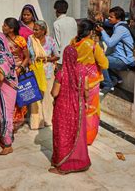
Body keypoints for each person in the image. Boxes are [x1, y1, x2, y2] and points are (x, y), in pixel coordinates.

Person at [50, 46, 91, 174]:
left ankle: (63, 166)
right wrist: (86, 102)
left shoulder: (61, 73)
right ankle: (80, 162)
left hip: (62, 109)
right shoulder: (83, 70)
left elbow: (54, 93)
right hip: (78, 108)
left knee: (62, 135)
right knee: (77, 135)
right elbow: (86, 89)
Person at [70, 20, 109, 145]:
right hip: (91, 83)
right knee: (90, 109)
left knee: (78, 107)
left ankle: (75, 134)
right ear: (91, 31)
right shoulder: (92, 45)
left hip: (76, 79)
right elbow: (104, 64)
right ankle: (87, 137)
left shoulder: (73, 42)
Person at [0, 32, 18, 155]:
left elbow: (1, 77)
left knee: (5, 115)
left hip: (5, 88)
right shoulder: (8, 53)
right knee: (9, 113)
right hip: (12, 87)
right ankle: (8, 137)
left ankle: (7, 144)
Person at [28, 20, 59, 129]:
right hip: (35, 72)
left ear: (43, 31)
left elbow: (57, 56)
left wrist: (46, 59)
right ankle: (37, 123)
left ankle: (47, 120)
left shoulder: (50, 41)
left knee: (47, 98)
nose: (34, 31)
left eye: (36, 29)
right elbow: (28, 55)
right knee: (36, 99)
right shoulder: (31, 39)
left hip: (48, 73)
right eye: (34, 29)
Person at [95, 6, 135, 93]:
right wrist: (102, 20)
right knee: (103, 58)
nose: (109, 18)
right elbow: (108, 23)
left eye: (111, 17)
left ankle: (108, 84)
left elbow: (110, 43)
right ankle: (115, 79)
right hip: (119, 57)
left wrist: (102, 30)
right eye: (109, 16)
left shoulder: (120, 29)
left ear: (118, 19)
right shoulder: (120, 24)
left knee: (101, 60)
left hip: (124, 60)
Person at [2, 18, 30, 131]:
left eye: (5, 25)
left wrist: (20, 68)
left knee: (19, 97)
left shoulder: (20, 40)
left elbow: (27, 57)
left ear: (11, 29)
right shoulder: (2, 40)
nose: (2, 26)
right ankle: (9, 121)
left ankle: (17, 121)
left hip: (18, 71)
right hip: (6, 72)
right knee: (8, 98)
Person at [53, 0, 77, 69]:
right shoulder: (72, 20)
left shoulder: (56, 23)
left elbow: (57, 42)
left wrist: (56, 59)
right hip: (74, 53)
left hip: (62, 57)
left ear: (56, 10)